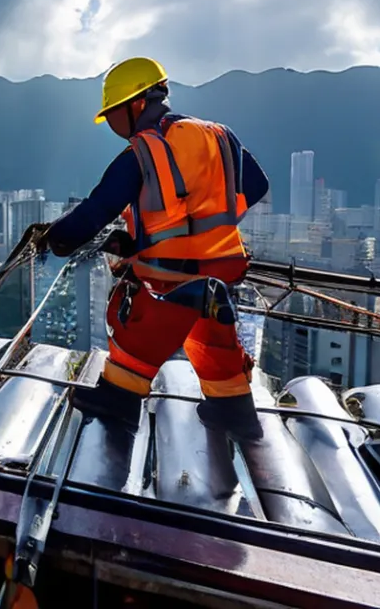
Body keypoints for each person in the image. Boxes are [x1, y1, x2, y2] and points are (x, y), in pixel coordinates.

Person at [46, 57, 270, 440]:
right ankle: (234, 409)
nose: (115, 125)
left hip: (172, 269)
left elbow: (99, 207)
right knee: (210, 332)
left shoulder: (143, 151)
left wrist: (59, 239)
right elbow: (257, 185)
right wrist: (208, 225)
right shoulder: (218, 135)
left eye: (115, 114)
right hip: (225, 262)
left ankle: (119, 397)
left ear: (135, 105)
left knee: (143, 326)